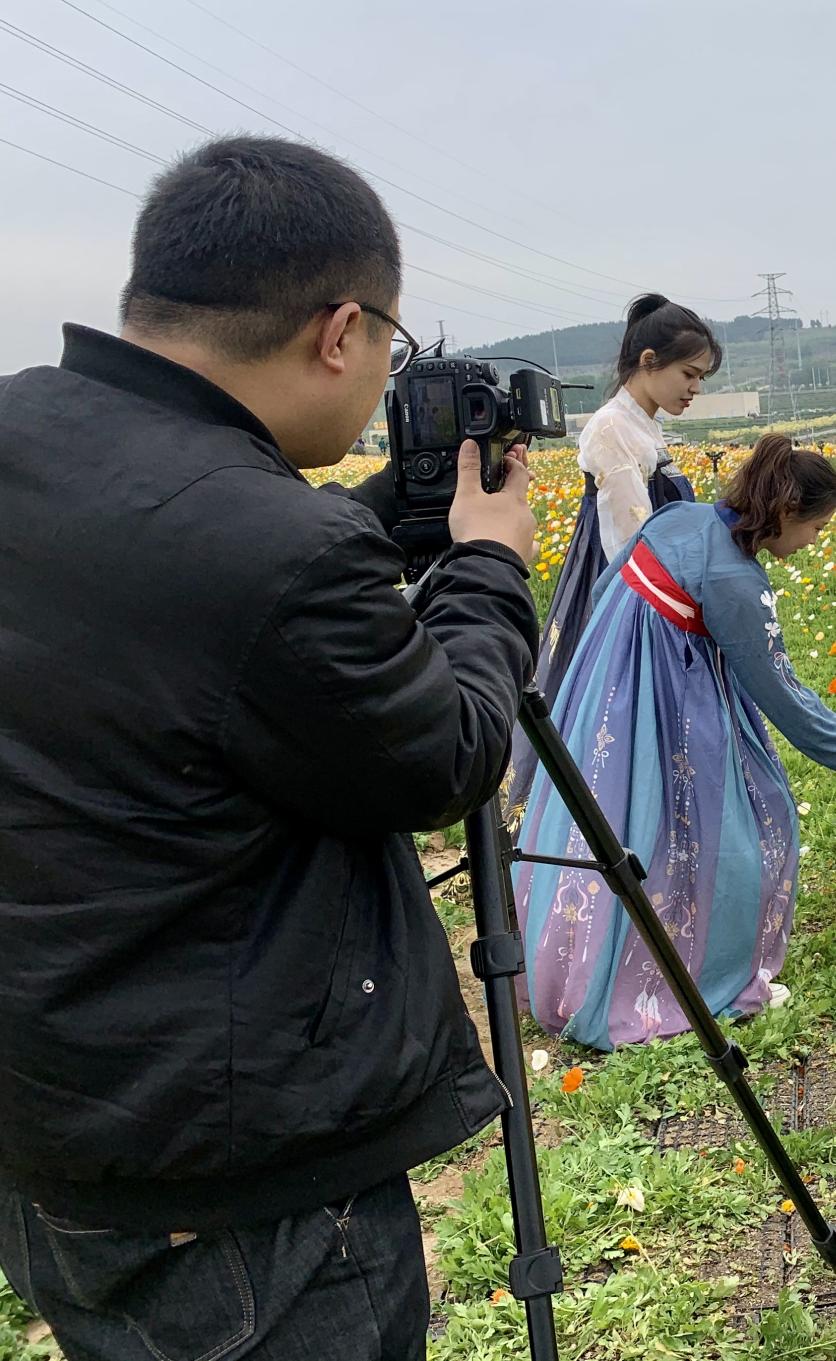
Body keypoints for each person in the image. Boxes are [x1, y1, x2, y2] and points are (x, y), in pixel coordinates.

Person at [0, 137, 540, 1360]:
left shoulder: (30, 428)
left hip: (56, 1112)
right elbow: (445, 758)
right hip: (242, 1179)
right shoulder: (274, 552)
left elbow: (161, 600)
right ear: (340, 331)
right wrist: (490, 567)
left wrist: (368, 530)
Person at [512, 435, 836, 1049]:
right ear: (783, 512)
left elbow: (604, 585)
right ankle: (703, 979)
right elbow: (781, 692)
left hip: (606, 690)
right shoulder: (735, 580)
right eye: (817, 526)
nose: (815, 541)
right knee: (734, 836)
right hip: (669, 704)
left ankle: (577, 966)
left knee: (608, 824)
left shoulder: (681, 516)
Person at [502, 295, 718, 819]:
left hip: (652, 573)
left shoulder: (642, 423)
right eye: (689, 375)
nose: (694, 389)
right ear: (649, 361)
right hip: (626, 580)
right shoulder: (611, 427)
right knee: (600, 708)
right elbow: (630, 534)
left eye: (701, 379)